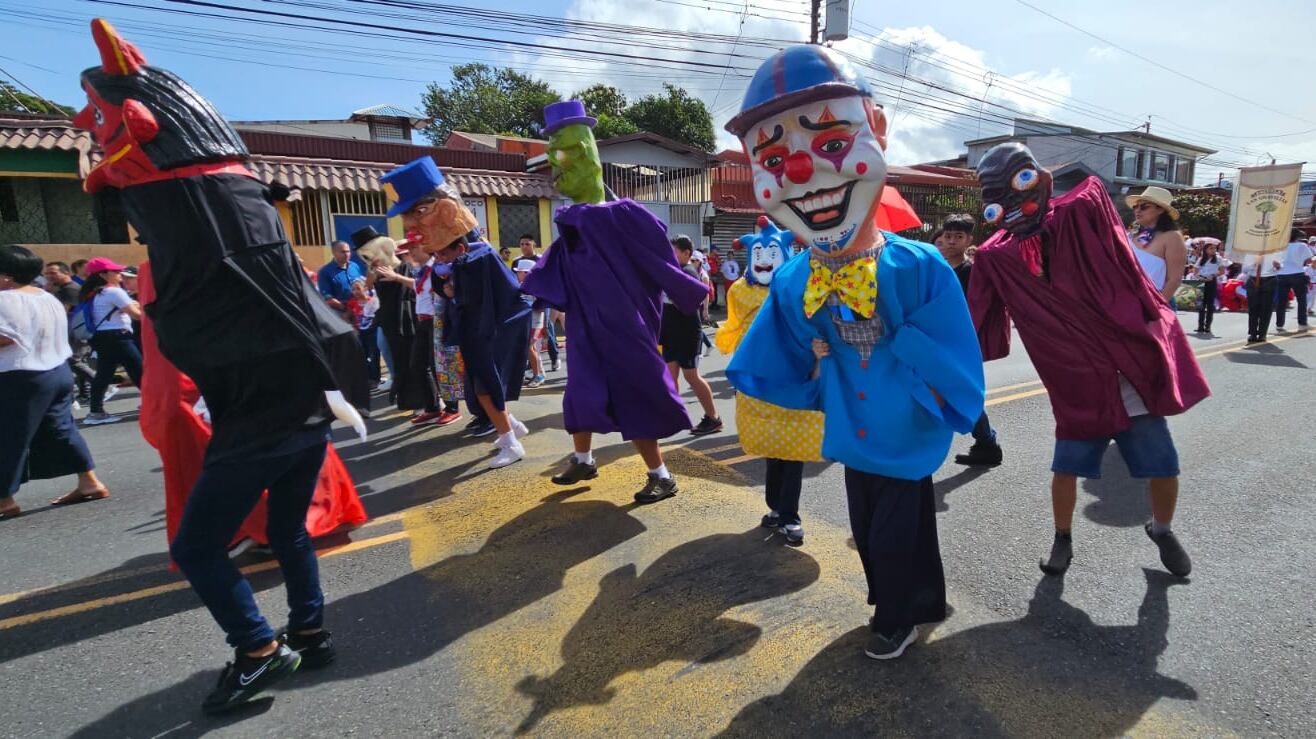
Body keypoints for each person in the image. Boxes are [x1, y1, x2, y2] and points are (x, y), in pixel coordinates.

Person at [73, 20, 369, 713]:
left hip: (260, 418)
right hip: (302, 410)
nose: (88, 127)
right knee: (288, 530)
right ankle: (310, 630)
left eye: (97, 115)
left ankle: (258, 649)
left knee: (198, 547)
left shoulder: (203, 222)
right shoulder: (232, 214)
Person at [724, 46, 984, 660]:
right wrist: (813, 355)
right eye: (773, 159)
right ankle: (918, 600)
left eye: (834, 143)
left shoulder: (918, 265)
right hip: (850, 429)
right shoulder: (794, 277)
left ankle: (894, 617)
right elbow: (779, 361)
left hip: (906, 427)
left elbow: (956, 359)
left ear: (877, 130)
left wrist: (897, 333)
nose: (800, 171)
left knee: (894, 532)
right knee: (873, 531)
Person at [968, 142, 1209, 582]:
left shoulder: (1079, 219)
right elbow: (980, 316)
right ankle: (1062, 538)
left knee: (1163, 466)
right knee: (1065, 470)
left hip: (1130, 374)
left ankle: (1162, 529)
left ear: (1041, 180)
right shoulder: (999, 256)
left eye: (1021, 180)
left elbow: (1088, 193)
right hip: (1079, 384)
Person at [521, 100, 710, 503]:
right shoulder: (571, 222)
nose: (556, 167)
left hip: (625, 325)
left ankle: (661, 475)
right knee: (581, 390)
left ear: (587, 153)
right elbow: (554, 270)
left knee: (636, 394)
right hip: (585, 325)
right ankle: (583, 459)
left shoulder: (624, 214)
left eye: (564, 154)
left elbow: (657, 259)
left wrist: (684, 292)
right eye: (552, 156)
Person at [135, 260, 368, 557]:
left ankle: (276, 528)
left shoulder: (201, 260)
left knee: (269, 459)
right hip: (225, 374)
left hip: (248, 373)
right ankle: (272, 528)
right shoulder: (165, 266)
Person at [385, 157, 531, 468]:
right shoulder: (452, 254)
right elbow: (445, 289)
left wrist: (452, 288)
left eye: (420, 213)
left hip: (491, 329)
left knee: (485, 387)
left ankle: (511, 441)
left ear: (448, 209)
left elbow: (475, 297)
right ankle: (510, 426)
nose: (411, 225)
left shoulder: (476, 255)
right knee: (479, 385)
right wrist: (446, 282)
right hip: (475, 330)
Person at [716, 217, 825, 546]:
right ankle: (776, 507)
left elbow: (818, 325)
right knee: (771, 447)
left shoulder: (804, 288)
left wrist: (818, 353)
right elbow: (736, 326)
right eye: (759, 253)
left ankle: (789, 515)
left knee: (793, 450)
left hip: (795, 374)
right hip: (757, 378)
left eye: (772, 253)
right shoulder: (740, 290)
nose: (764, 260)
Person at [0, 244, 110, 520]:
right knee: (62, 428)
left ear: (6, 275)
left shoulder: (5, 300)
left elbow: (5, 339)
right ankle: (89, 481)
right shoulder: (47, 297)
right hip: (56, 371)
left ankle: (4, 499)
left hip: (19, 375)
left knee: (9, 436)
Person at [936, 213, 1004, 468]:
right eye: (948, 236)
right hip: (936, 341)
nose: (952, 241)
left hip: (960, 343)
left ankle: (987, 443)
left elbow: (976, 308)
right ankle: (986, 443)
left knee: (961, 393)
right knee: (951, 392)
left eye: (958, 236)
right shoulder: (937, 267)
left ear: (968, 240)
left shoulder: (972, 271)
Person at [665, 236, 723, 435]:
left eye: (673, 252)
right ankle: (672, 416)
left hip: (687, 333)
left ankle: (713, 418)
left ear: (686, 253)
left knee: (691, 376)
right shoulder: (672, 271)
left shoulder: (687, 272)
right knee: (670, 377)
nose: (669, 255)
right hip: (670, 333)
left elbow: (687, 302)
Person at [78, 257, 144, 425]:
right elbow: (137, 315)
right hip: (118, 336)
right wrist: (140, 306)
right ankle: (155, 405)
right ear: (103, 274)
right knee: (140, 371)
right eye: (115, 271)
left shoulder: (95, 293)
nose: (119, 273)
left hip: (102, 337)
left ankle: (95, 412)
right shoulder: (114, 292)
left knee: (103, 375)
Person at [1125, 186, 1188, 304]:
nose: (1138, 210)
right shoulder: (1131, 235)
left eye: (1144, 207)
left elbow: (1174, 280)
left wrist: (1157, 307)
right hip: (1127, 301)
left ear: (1160, 210)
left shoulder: (1172, 237)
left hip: (1156, 301)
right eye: (1136, 206)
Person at [515, 257, 547, 388]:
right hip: (527, 321)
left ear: (527, 273)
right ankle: (537, 374)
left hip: (535, 322)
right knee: (530, 349)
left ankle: (538, 375)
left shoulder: (535, 286)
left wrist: (528, 304)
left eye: (520, 272)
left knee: (530, 348)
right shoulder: (521, 285)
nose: (517, 274)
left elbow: (542, 307)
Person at [1273, 228, 1311, 331]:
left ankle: (1279, 325)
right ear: (1297, 237)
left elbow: (1275, 262)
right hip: (1297, 273)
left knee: (1281, 300)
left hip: (1282, 274)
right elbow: (1309, 260)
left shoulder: (1280, 247)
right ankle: (1302, 323)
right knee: (1301, 299)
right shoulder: (1302, 245)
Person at [346, 278, 381, 387]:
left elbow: (378, 315)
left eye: (358, 288)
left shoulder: (372, 301)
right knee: (363, 355)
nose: (355, 291)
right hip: (360, 333)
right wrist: (353, 327)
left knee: (374, 354)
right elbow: (346, 316)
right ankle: (368, 378)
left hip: (372, 332)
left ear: (365, 288)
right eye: (353, 289)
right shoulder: (352, 303)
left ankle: (376, 378)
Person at [317, 240, 366, 315]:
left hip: (360, 311)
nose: (347, 254)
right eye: (343, 252)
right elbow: (328, 298)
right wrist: (345, 309)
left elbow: (363, 286)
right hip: (341, 313)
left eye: (348, 251)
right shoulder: (324, 272)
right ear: (334, 253)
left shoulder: (354, 266)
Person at [1193, 242, 1222, 334]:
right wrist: (1200, 277)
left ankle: (1208, 326)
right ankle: (1200, 326)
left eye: (1214, 248)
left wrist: (1213, 275)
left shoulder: (1218, 259)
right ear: (1206, 250)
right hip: (1201, 282)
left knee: (1210, 305)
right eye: (1211, 248)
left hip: (1211, 281)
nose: (1213, 250)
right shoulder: (1201, 259)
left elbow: (1222, 271)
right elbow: (1195, 272)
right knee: (1201, 304)